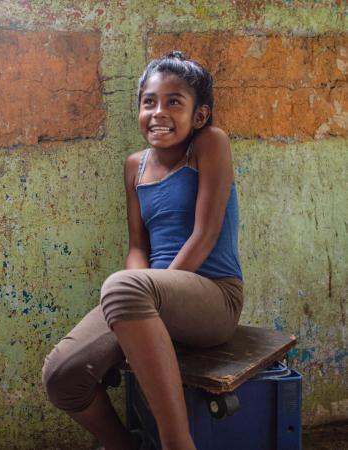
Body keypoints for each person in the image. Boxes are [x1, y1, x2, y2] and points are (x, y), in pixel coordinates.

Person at [42, 51, 243, 450]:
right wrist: (139, 302)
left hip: (212, 296)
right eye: (149, 101)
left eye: (174, 101)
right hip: (144, 299)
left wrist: (143, 292)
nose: (158, 112)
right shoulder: (134, 165)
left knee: (122, 287)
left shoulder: (210, 144)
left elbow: (205, 235)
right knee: (62, 376)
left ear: (199, 115)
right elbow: (138, 246)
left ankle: (177, 444)